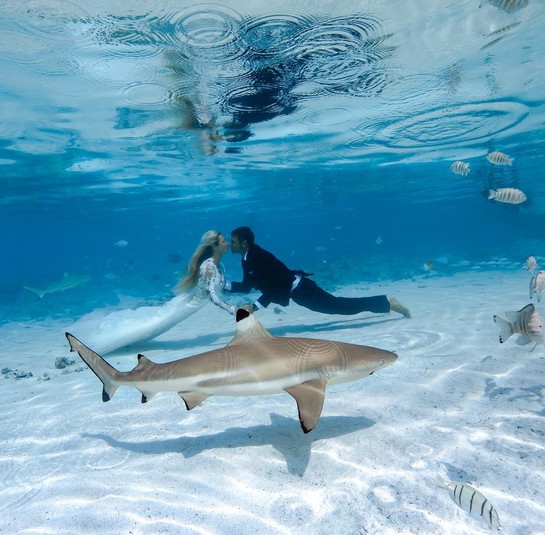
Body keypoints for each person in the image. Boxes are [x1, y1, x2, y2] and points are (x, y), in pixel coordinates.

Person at [71, 230, 236, 354]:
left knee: (153, 327)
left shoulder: (219, 266)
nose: (227, 243)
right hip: (187, 306)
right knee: (153, 324)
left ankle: (123, 340)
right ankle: (95, 343)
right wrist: (233, 310)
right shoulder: (208, 266)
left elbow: (218, 289)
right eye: (223, 241)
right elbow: (211, 295)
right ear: (214, 246)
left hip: (190, 305)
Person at [226, 226, 410, 318]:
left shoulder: (256, 257)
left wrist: (255, 307)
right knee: (337, 306)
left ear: (244, 243)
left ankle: (387, 303)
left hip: (302, 290)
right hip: (299, 291)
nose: (229, 244)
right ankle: (384, 304)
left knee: (339, 306)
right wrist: (223, 285)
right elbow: (246, 286)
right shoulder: (248, 258)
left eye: (232, 242)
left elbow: (275, 286)